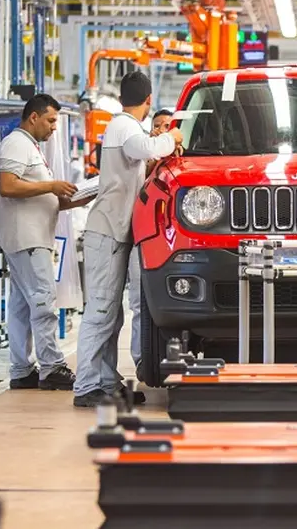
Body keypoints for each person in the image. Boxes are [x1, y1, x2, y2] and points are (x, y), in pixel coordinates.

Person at [73, 73, 183, 408]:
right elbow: (148, 147)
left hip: (115, 232)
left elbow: (141, 161)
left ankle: (106, 381)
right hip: (106, 231)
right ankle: (86, 385)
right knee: (101, 310)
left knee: (112, 314)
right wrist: (174, 134)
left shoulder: (123, 128)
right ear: (148, 100)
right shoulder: (124, 127)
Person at [0, 94, 95, 390]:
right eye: (50, 120)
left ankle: (21, 369)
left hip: (32, 236)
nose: (54, 127)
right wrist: (51, 185)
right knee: (42, 301)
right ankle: (51, 367)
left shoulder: (32, 148)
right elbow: (8, 186)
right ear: (34, 117)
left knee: (22, 306)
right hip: (25, 237)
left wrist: (77, 199)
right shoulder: (17, 143)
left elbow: (40, 196)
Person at [127, 108, 173, 381]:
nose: (162, 129)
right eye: (157, 126)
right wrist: (154, 155)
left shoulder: (183, 156)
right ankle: (143, 359)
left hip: (169, 241)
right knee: (138, 302)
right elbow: (140, 181)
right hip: (143, 237)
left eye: (168, 125)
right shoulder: (146, 158)